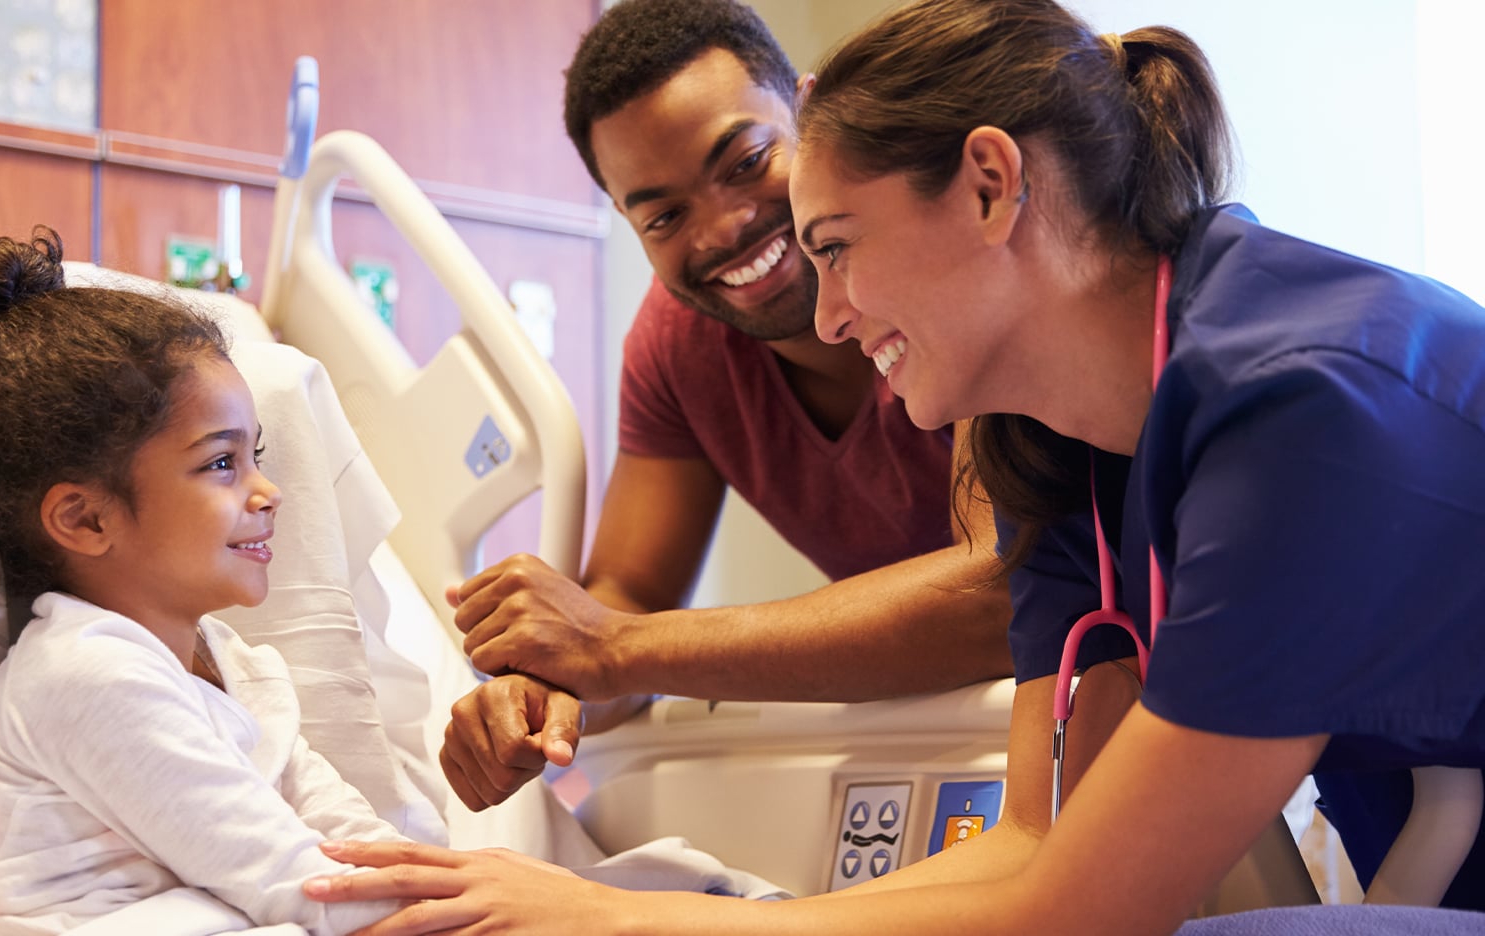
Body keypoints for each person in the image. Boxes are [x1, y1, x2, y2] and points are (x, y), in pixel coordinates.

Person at [302, 0, 1485, 931]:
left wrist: (622, 919)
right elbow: (1032, 846)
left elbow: (1081, 908)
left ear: (988, 185)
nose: (823, 316)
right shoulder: (1065, 446)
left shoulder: (1300, 413)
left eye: (834, 246)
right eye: (657, 214)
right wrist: (623, 894)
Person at [437, 0, 1013, 814]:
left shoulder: (950, 257)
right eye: (664, 216)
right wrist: (549, 689)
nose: (725, 228)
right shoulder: (679, 348)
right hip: (951, 731)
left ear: (811, 112)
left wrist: (613, 647)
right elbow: (628, 593)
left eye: (746, 161)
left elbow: (1000, 592)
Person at [0, 229, 414, 934]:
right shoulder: (85, 677)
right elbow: (304, 885)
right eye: (221, 463)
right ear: (87, 519)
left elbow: (359, 848)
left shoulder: (230, 663)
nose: (269, 491)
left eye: (255, 455)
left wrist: (466, 891)